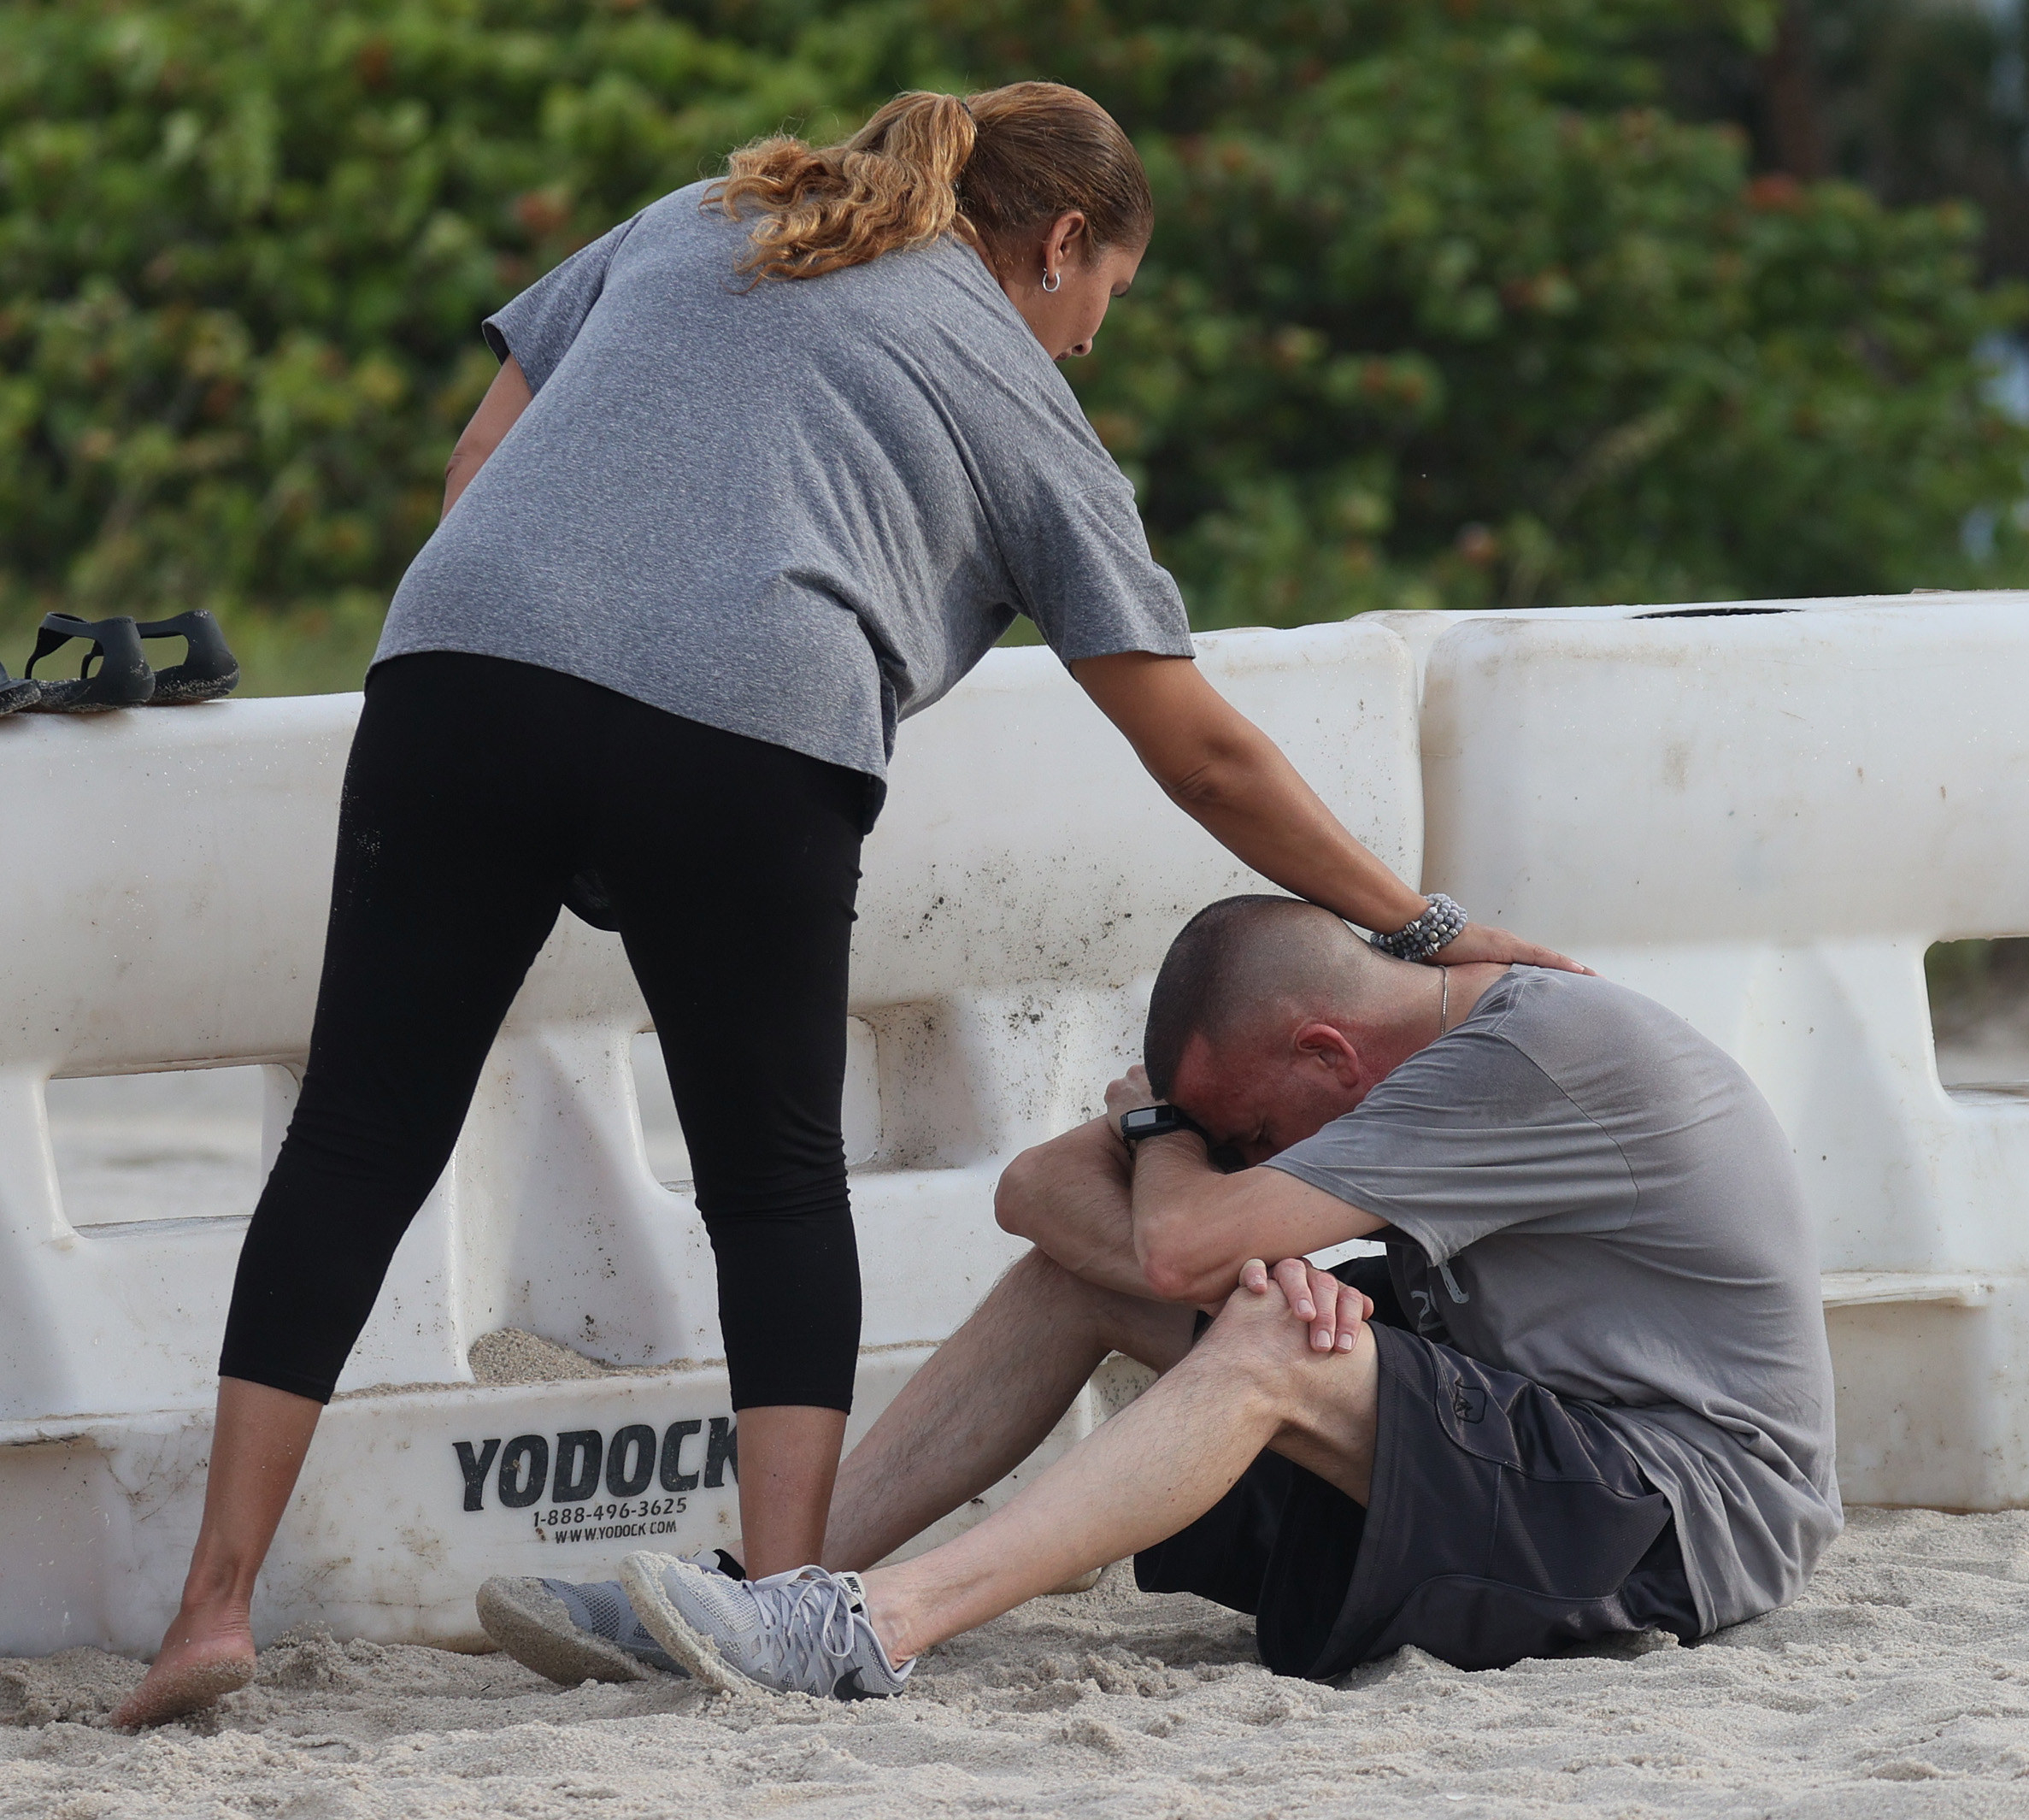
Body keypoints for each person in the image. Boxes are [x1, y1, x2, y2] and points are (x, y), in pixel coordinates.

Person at [113, 87, 1578, 1728]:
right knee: (774, 1179)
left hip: (460, 662)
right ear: (1062, 241)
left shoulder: (702, 213)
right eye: (1104, 303)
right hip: (749, 720)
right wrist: (1428, 925)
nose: (1090, 344)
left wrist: (556, 694)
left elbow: (480, 465)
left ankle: (211, 1607)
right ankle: (784, 1611)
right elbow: (1203, 751)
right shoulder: (1019, 396)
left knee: (364, 1131)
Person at [491, 893, 1839, 1696]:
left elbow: (1185, 1247)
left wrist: (1161, 1142)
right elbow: (1032, 1192)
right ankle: (766, 1593)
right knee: (1084, 1277)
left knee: (1260, 1332)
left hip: (1679, 1511)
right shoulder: (1423, 1042)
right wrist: (1196, 1180)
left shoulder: (1535, 1054)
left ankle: (872, 1630)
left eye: (1248, 1129)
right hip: (1545, 1433)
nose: (1248, 1154)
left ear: (1328, 1049)